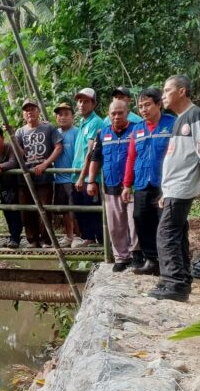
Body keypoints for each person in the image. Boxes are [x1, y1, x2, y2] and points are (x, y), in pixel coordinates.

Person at [149, 74, 200, 302]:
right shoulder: (180, 118)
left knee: (166, 234)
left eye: (167, 90)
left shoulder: (194, 115)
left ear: (182, 91)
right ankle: (179, 279)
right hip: (174, 187)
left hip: (181, 186)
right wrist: (167, 189)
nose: (163, 94)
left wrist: (192, 175)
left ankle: (175, 284)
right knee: (176, 233)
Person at [121, 88, 176, 275]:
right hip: (142, 182)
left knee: (166, 224)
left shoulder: (172, 124)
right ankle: (152, 260)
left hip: (165, 183)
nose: (143, 109)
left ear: (159, 104)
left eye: (147, 105)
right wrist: (127, 185)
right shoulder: (137, 129)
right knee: (140, 218)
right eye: (140, 106)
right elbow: (131, 158)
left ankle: (170, 263)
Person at [87, 100, 139, 272]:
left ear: (127, 113)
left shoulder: (137, 130)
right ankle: (121, 258)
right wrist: (91, 180)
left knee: (134, 222)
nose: (116, 116)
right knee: (115, 225)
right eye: (113, 113)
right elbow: (95, 158)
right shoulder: (102, 133)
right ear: (108, 114)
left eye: (120, 113)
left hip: (132, 186)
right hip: (110, 186)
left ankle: (136, 255)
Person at [15, 99, 62, 248]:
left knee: (45, 208)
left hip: (44, 176)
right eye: (26, 110)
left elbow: (58, 147)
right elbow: (20, 153)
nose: (30, 112)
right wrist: (12, 138)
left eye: (32, 109)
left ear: (38, 111)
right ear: (23, 114)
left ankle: (46, 239)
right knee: (26, 210)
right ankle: (32, 239)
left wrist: (46, 163)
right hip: (26, 177)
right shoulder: (20, 132)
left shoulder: (48, 129)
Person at [72, 88, 104, 245]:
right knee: (81, 209)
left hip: (88, 176)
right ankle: (89, 239)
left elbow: (90, 153)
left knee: (93, 210)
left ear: (93, 104)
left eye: (86, 101)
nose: (81, 104)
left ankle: (101, 243)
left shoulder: (95, 122)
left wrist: (82, 177)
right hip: (78, 174)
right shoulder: (82, 123)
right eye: (79, 101)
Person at [52, 102, 80, 247]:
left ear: (72, 116)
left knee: (74, 208)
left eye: (66, 114)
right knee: (64, 210)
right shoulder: (55, 133)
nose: (62, 117)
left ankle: (78, 236)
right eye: (59, 114)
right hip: (59, 178)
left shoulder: (77, 132)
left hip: (73, 177)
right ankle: (69, 235)